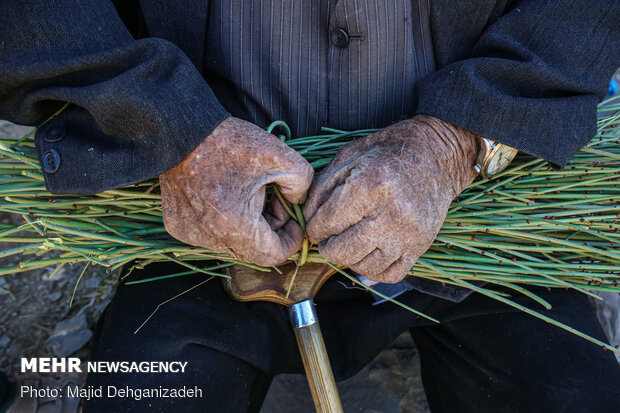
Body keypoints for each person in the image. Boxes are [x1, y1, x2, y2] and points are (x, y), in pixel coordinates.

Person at [1, 1, 619, 412]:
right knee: (141, 392)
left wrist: (455, 142)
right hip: (200, 231)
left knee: (572, 392)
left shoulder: (462, 171)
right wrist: (171, 133)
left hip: (471, 212)